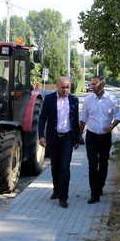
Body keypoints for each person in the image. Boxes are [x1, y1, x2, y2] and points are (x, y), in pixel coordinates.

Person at [79, 75, 120, 204]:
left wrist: (111, 126)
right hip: (91, 136)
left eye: (94, 84)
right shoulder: (88, 100)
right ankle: (94, 193)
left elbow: (119, 116)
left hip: (105, 136)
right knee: (92, 165)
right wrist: (79, 135)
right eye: (91, 84)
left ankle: (100, 186)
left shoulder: (111, 99)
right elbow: (83, 118)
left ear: (102, 85)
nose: (91, 86)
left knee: (103, 163)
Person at [38, 77, 81, 208]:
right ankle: (56, 189)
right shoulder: (50, 99)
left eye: (68, 87)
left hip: (67, 138)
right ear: (57, 86)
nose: (66, 90)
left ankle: (63, 197)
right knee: (55, 166)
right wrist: (41, 136)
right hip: (53, 137)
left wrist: (77, 138)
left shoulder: (74, 100)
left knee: (64, 167)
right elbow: (42, 118)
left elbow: (75, 120)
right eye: (63, 87)